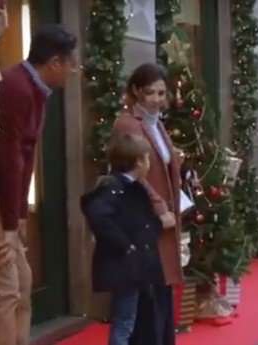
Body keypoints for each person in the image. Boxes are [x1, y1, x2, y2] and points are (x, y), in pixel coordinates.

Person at [0, 24, 76, 345]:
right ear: (54, 62)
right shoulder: (17, 89)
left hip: (6, 203)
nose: (71, 70)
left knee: (22, 282)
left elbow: (25, 156)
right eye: (70, 63)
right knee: (4, 288)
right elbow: (6, 161)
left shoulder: (36, 91)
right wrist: (10, 221)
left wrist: (20, 214)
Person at [111, 63, 182, 345]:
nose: (156, 99)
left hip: (159, 225)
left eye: (161, 92)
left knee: (160, 295)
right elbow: (134, 174)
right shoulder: (128, 124)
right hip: (143, 222)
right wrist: (160, 208)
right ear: (136, 92)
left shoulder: (156, 122)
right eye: (149, 92)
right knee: (145, 300)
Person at [81, 134, 169, 345]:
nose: (149, 164)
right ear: (138, 161)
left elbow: (141, 223)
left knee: (130, 317)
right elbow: (99, 215)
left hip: (135, 265)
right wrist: (126, 245)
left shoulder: (132, 188)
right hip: (125, 266)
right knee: (125, 320)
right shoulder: (116, 188)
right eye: (147, 158)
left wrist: (156, 226)